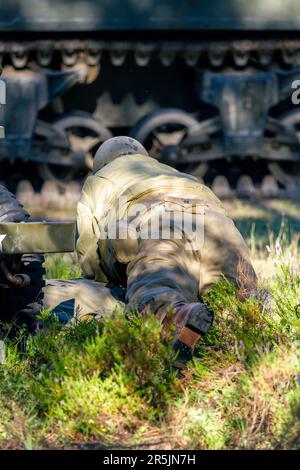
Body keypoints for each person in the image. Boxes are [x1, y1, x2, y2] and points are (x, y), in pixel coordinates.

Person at [42, 136, 257, 368]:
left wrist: (106, 281)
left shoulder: (98, 180)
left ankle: (178, 323)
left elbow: (88, 251)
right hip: (219, 226)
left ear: (101, 164)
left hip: (159, 221)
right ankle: (253, 333)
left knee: (156, 297)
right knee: (240, 302)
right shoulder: (168, 170)